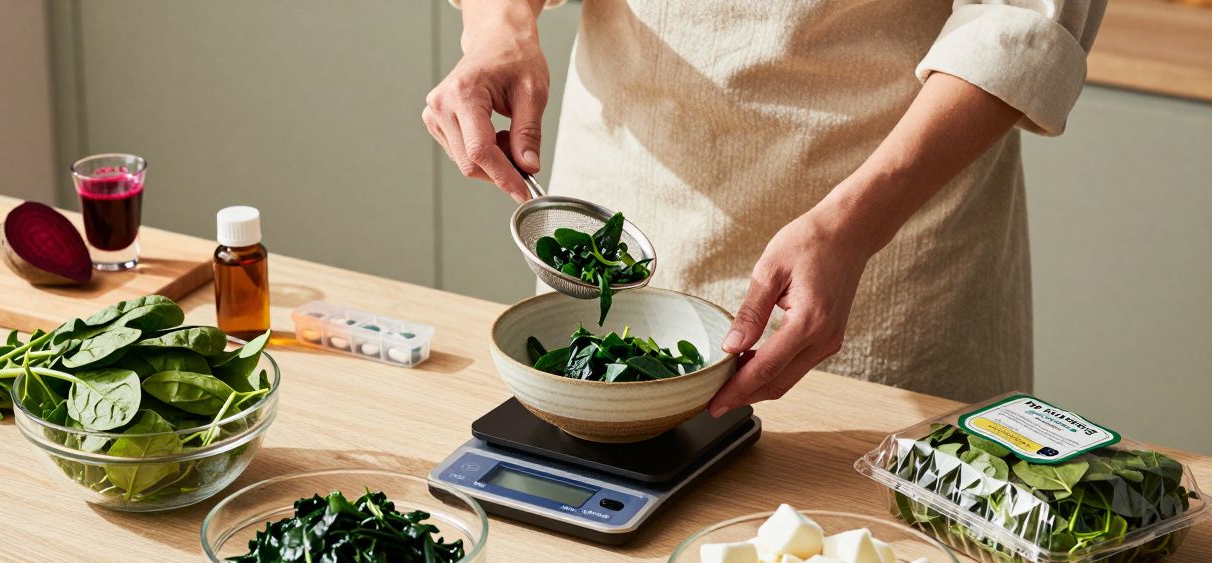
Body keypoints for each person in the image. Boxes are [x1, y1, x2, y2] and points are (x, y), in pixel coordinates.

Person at [423, 0, 1106, 414]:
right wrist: (498, 30)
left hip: (884, 240)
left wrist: (856, 224)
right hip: (626, 184)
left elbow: (1020, 19)